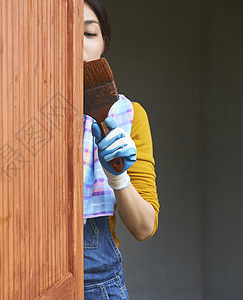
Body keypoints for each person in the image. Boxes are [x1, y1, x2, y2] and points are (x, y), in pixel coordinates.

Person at [82, 0, 160, 299]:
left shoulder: (129, 116)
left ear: (104, 45)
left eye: (89, 34)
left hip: (99, 283)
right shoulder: (20, 114)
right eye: (65, 32)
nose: (77, 43)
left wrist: (118, 177)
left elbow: (143, 227)